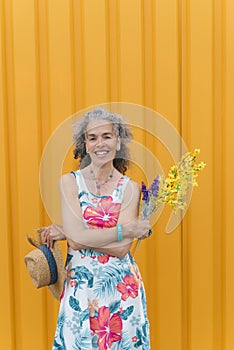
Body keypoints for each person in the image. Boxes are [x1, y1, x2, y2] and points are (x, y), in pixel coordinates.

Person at [43, 107, 151, 349]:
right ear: (85, 144)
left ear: (119, 140)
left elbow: (122, 249)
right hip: (81, 286)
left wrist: (73, 231)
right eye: (92, 138)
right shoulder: (70, 182)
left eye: (107, 136)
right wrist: (126, 230)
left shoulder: (130, 188)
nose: (100, 144)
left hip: (121, 288)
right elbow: (77, 241)